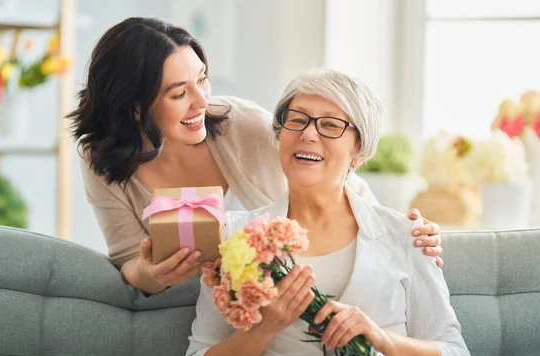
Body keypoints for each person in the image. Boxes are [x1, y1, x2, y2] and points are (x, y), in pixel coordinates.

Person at [69, 17, 443, 295]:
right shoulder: (101, 158)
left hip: (301, 290)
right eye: (178, 93)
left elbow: (340, 182)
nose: (202, 101)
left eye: (202, 79)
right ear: (135, 107)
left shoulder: (238, 123)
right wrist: (150, 275)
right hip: (206, 315)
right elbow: (126, 260)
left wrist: (402, 235)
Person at [185, 68, 470, 356]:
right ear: (279, 134)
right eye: (297, 120)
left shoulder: (407, 236)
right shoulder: (235, 236)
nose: (308, 134)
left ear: (359, 149)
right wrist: (264, 328)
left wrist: (380, 340)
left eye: (331, 125)